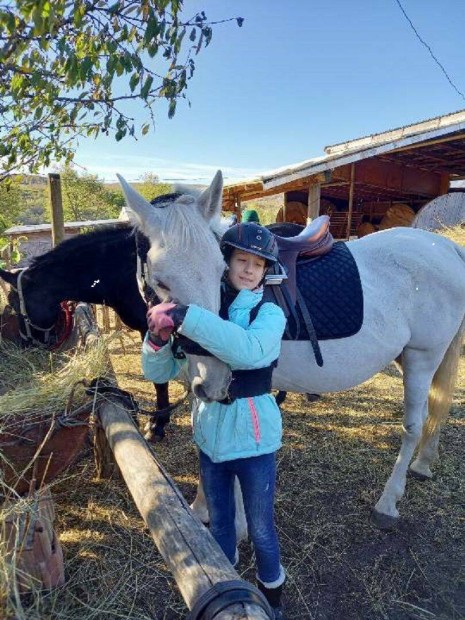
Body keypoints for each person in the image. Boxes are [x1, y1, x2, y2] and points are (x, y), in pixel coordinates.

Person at [142, 223, 287, 618]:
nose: (249, 269)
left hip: (255, 443)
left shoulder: (269, 312)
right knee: (221, 523)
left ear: (266, 271)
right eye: (242, 260)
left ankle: (272, 598)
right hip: (211, 440)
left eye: (258, 264)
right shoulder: (207, 312)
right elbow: (162, 372)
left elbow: (250, 353)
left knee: (261, 529)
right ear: (226, 263)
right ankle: (227, 590)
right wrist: (155, 339)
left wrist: (188, 316)